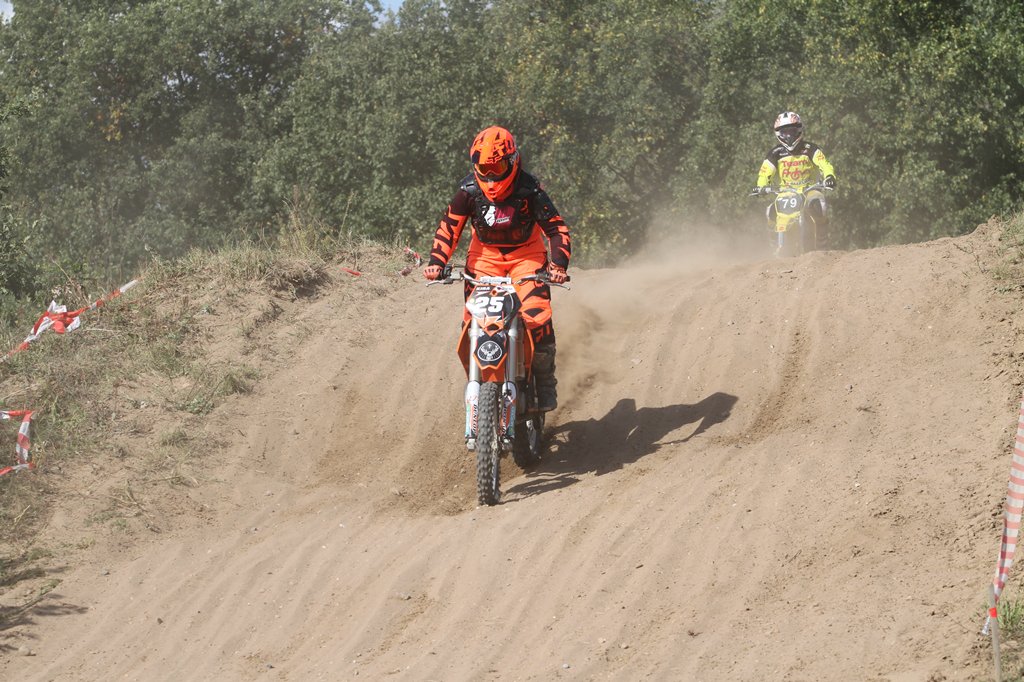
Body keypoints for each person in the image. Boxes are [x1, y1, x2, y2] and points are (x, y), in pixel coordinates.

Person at [423, 125, 571, 412]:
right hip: (484, 258)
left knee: (537, 314)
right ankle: (478, 380)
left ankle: (545, 381)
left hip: (527, 256)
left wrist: (558, 266)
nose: (491, 178)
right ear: (474, 166)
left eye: (498, 168)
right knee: (472, 320)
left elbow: (556, 229)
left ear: (513, 161)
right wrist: (436, 263)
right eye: (484, 169)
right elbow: (449, 228)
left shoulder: (530, 189)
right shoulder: (468, 191)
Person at [752, 111, 836, 246]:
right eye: (785, 132)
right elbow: (765, 173)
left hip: (809, 189)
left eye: (791, 131)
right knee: (771, 212)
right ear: (778, 134)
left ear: (799, 130)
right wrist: (761, 186)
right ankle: (774, 242)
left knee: (819, 204)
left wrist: (829, 176)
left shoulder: (810, 149)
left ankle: (822, 238)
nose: (789, 136)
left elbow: (825, 165)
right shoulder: (775, 153)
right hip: (785, 192)